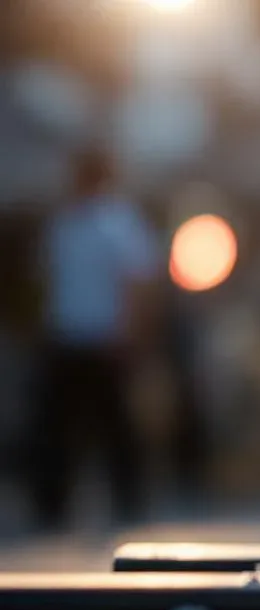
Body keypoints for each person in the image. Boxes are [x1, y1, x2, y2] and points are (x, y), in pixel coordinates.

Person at [30, 148, 158, 529]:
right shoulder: (65, 224)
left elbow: (135, 284)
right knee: (58, 427)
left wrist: (128, 333)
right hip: (70, 336)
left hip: (102, 339)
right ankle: (53, 504)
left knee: (113, 426)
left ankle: (128, 500)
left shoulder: (116, 222)